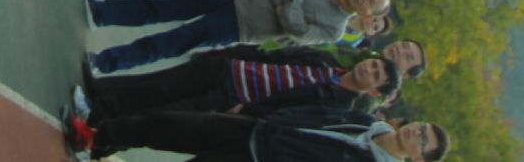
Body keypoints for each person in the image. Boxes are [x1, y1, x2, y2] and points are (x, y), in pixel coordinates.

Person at [80, 0, 390, 73]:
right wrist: (284, 1)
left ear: (367, 15)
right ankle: (103, 13)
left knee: (172, 42)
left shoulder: (334, 30)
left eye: (372, 3)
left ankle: (106, 62)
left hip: (240, 24)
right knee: (164, 6)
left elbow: (297, 31)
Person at [75, 42, 398, 121]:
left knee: (164, 113)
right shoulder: (325, 60)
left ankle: (99, 125)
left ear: (374, 92)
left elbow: (289, 114)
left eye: (376, 76)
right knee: (159, 85)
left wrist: (246, 112)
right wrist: (228, 54)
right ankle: (101, 93)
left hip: (234, 99)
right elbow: (274, 54)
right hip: (229, 69)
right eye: (374, 65)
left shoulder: (338, 107)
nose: (369, 70)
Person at [79, 107, 452, 162]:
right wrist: (273, 117)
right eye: (422, 127)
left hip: (258, 160)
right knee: (169, 125)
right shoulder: (367, 121)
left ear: (418, 158)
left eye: (423, 140)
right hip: (257, 129)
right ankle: (97, 138)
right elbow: (314, 113)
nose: (417, 132)